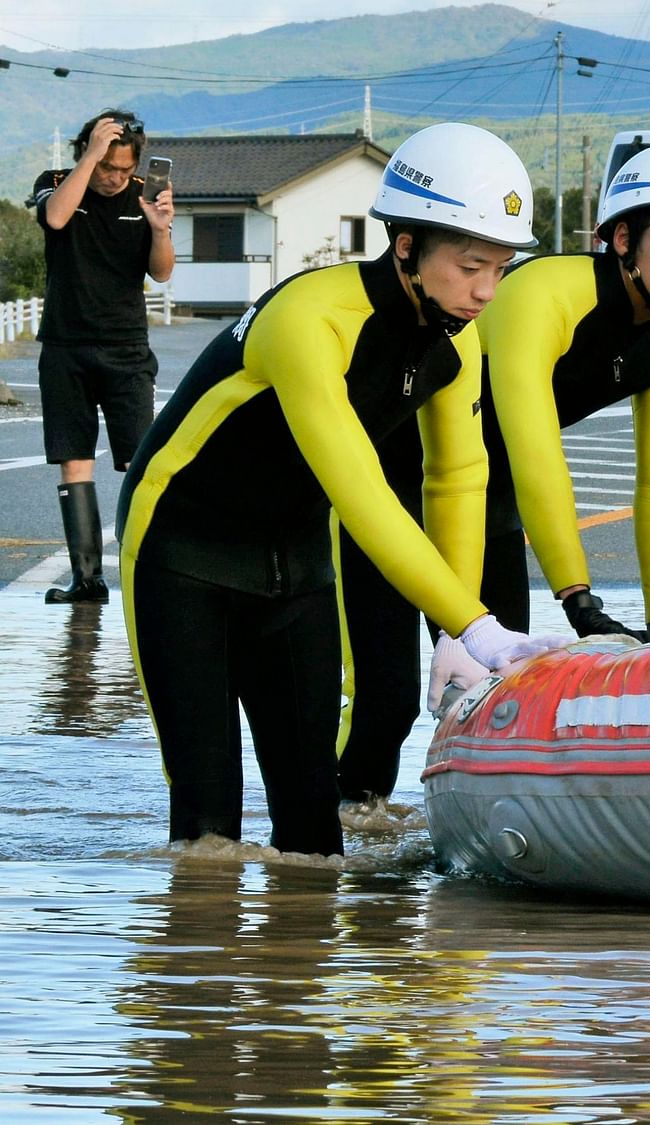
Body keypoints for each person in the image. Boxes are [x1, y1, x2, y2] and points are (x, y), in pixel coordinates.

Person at [117, 123, 569, 856]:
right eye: (471, 265)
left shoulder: (458, 335)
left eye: (501, 268)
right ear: (406, 246)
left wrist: (454, 630)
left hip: (293, 556)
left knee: (314, 837)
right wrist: (482, 626)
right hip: (180, 549)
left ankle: (299, 968)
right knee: (208, 837)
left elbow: (456, 479)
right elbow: (358, 490)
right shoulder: (309, 320)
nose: (488, 290)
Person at [331, 142, 650, 803]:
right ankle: (340, 850)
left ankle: (456, 849)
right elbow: (533, 448)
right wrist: (580, 601)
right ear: (624, 238)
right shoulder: (544, 294)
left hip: (485, 504)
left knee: (495, 691)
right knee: (389, 698)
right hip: (391, 492)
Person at [33, 108, 174, 604]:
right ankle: (87, 580)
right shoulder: (56, 182)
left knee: (142, 463)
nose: (114, 178)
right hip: (65, 347)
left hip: (127, 348)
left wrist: (159, 227)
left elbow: (161, 273)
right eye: (106, 167)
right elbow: (55, 217)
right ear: (85, 153)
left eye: (122, 168)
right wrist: (90, 156)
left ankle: (150, 578)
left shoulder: (144, 196)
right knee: (73, 461)